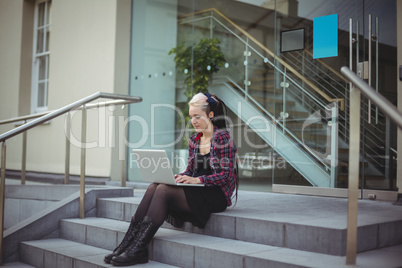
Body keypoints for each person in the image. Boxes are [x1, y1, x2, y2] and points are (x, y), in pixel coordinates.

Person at [104, 92, 238, 266]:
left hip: (216, 194)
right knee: (155, 185)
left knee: (163, 191)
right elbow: (191, 170)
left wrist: (198, 180)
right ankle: (128, 244)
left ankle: (138, 248)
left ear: (211, 115)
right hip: (198, 190)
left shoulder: (222, 138)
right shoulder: (194, 140)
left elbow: (226, 176)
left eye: (197, 116)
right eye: (191, 117)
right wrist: (181, 177)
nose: (193, 121)